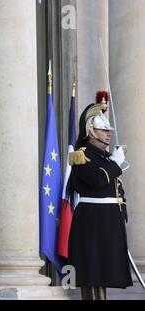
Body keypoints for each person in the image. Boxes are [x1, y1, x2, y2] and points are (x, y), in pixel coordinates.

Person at [67, 91, 132, 300]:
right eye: (103, 129)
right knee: (93, 272)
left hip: (107, 219)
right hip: (93, 220)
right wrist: (115, 163)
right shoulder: (82, 154)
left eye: (108, 129)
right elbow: (97, 180)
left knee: (104, 271)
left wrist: (112, 161)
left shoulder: (103, 156)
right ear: (90, 131)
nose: (108, 133)